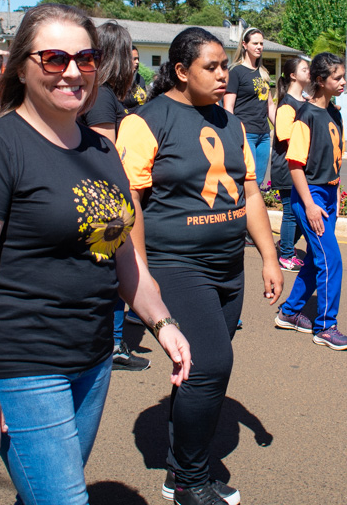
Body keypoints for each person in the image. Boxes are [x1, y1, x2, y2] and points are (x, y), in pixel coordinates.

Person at [0, 4, 191, 505]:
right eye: (54, 59)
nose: (73, 71)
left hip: (93, 358)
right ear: (21, 66)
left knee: (44, 492)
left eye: (86, 57)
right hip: (26, 363)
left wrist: (163, 324)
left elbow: (119, 254)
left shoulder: (102, 152)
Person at [118, 27, 282, 505]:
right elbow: (130, 203)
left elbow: (249, 191)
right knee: (210, 363)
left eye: (223, 66)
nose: (222, 75)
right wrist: (142, 276)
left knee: (199, 371)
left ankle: (180, 465)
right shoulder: (148, 121)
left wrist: (269, 257)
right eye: (210, 67)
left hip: (228, 268)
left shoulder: (231, 124)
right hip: (176, 267)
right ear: (180, 71)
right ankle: (189, 480)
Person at [79, 22, 149, 372]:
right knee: (113, 271)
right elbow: (105, 156)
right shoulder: (104, 97)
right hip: (107, 203)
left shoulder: (98, 93)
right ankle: (114, 344)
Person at [274, 52, 347, 351]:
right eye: (337, 77)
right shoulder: (306, 116)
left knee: (315, 260)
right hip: (311, 195)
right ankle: (325, 326)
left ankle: (290, 312)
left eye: (343, 76)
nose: (343, 81)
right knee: (330, 261)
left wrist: (336, 194)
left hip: (328, 194)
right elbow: (295, 165)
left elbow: (333, 158)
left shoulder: (334, 113)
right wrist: (309, 204)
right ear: (320, 81)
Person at [271, 56, 310, 271]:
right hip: (287, 166)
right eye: (305, 69)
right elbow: (286, 135)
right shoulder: (286, 105)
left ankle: (285, 245)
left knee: (301, 212)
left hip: (300, 165)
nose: (309, 72)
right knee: (291, 213)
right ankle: (286, 255)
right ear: (293, 75)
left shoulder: (304, 102)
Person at [223, 27, 274, 189]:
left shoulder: (263, 73)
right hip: (246, 134)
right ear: (244, 45)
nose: (259, 47)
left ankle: (251, 213)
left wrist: (281, 129)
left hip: (264, 135)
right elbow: (228, 106)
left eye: (261, 43)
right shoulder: (236, 71)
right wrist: (233, 133)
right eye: (255, 43)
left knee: (258, 181)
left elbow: (270, 105)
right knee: (247, 180)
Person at [122, 46, 148, 112]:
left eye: (138, 59)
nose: (137, 62)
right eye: (134, 59)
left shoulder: (140, 79)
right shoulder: (118, 81)